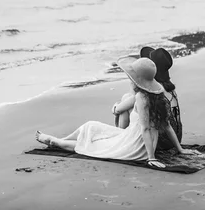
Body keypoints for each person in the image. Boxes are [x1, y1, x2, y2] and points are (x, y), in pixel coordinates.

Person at [35, 57, 196, 168]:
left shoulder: (141, 97)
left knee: (93, 146)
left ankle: (56, 142)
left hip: (135, 144)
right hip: (134, 138)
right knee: (91, 126)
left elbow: (146, 129)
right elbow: (166, 125)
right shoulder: (157, 95)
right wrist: (180, 149)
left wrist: (151, 158)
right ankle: (61, 140)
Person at [113, 47, 182, 150]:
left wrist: (115, 107)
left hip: (160, 140)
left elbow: (118, 109)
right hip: (177, 136)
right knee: (128, 99)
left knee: (126, 99)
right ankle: (121, 135)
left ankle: (120, 139)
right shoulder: (170, 89)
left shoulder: (150, 93)